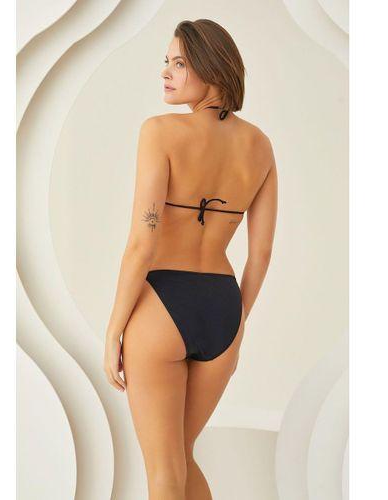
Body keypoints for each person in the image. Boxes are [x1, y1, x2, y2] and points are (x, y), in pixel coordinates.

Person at [103, 18, 278, 500]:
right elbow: (261, 252)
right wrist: (237, 324)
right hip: (223, 306)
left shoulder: (159, 132)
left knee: (164, 471)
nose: (165, 72)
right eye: (167, 62)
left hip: (162, 303)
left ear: (213, 69)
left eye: (179, 63)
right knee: (180, 455)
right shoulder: (260, 145)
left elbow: (142, 242)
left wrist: (114, 329)